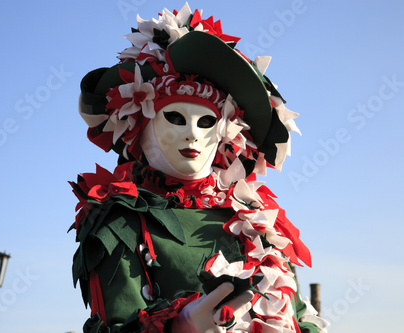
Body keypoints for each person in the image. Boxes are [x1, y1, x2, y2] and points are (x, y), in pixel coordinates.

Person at [70, 4, 329, 332]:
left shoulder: (257, 219)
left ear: (224, 131)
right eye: (175, 117)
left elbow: (298, 315)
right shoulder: (123, 220)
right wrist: (180, 326)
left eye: (206, 121)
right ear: (140, 124)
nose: (192, 133)